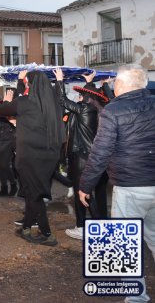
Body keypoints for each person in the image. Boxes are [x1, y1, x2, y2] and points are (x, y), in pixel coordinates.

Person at [79, 64, 155, 303]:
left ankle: (136, 298)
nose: (113, 86)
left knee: (125, 244)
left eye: (114, 82)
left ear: (121, 85)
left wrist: (85, 185)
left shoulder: (113, 111)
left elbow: (100, 152)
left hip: (130, 187)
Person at [0, 71, 65, 246]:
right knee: (32, 192)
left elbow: (1, 110)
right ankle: (26, 227)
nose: (26, 86)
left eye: (27, 83)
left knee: (33, 194)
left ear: (31, 85)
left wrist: (7, 99)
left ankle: (47, 235)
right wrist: (60, 82)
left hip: (29, 156)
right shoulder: (53, 104)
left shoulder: (24, 102)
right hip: (48, 157)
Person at [54, 68, 109, 240]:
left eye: (80, 95)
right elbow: (90, 95)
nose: (78, 97)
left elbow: (62, 99)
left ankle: (85, 227)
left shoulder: (85, 110)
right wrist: (89, 82)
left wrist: (60, 80)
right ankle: (96, 225)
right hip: (92, 156)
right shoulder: (98, 110)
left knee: (82, 192)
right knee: (91, 192)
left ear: (85, 99)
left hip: (82, 157)